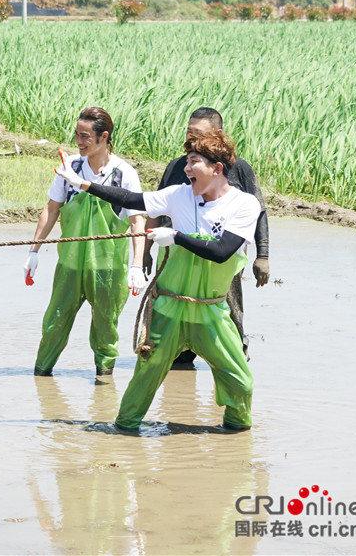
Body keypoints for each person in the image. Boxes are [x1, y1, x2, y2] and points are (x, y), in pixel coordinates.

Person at [55, 129, 259, 430]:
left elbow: (222, 251)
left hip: (212, 312)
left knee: (240, 381)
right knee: (145, 377)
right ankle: (123, 429)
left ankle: (235, 433)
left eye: (194, 162)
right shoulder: (179, 195)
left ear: (217, 169)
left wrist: (175, 236)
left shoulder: (243, 205)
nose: (186, 169)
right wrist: (84, 184)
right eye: (187, 162)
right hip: (169, 308)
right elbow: (130, 198)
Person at [25, 107, 146, 377]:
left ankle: (104, 386)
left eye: (85, 136)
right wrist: (33, 250)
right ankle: (41, 376)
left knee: (105, 327)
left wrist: (137, 265)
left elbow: (138, 221)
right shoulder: (70, 167)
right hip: (70, 265)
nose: (79, 142)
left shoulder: (123, 173)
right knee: (54, 322)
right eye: (77, 135)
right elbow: (52, 208)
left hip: (107, 268)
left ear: (104, 137)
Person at [146, 107, 269, 367]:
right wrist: (145, 250)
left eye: (199, 134)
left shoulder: (238, 169)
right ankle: (178, 363)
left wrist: (263, 255)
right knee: (172, 315)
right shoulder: (178, 166)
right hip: (176, 253)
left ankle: (233, 358)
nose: (192, 139)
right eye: (189, 133)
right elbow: (154, 207)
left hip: (220, 255)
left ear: (218, 134)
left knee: (227, 309)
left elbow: (258, 211)